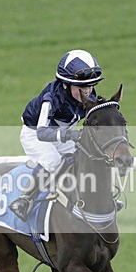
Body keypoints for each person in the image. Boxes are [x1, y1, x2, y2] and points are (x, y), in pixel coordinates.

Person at [8, 49, 104, 220]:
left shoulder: (90, 95)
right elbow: (42, 132)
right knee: (52, 160)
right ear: (66, 84)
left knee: (86, 154)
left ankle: (95, 198)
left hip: (60, 134)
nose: (88, 91)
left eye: (91, 86)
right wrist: (70, 135)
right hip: (35, 133)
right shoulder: (51, 98)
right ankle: (24, 200)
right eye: (82, 87)